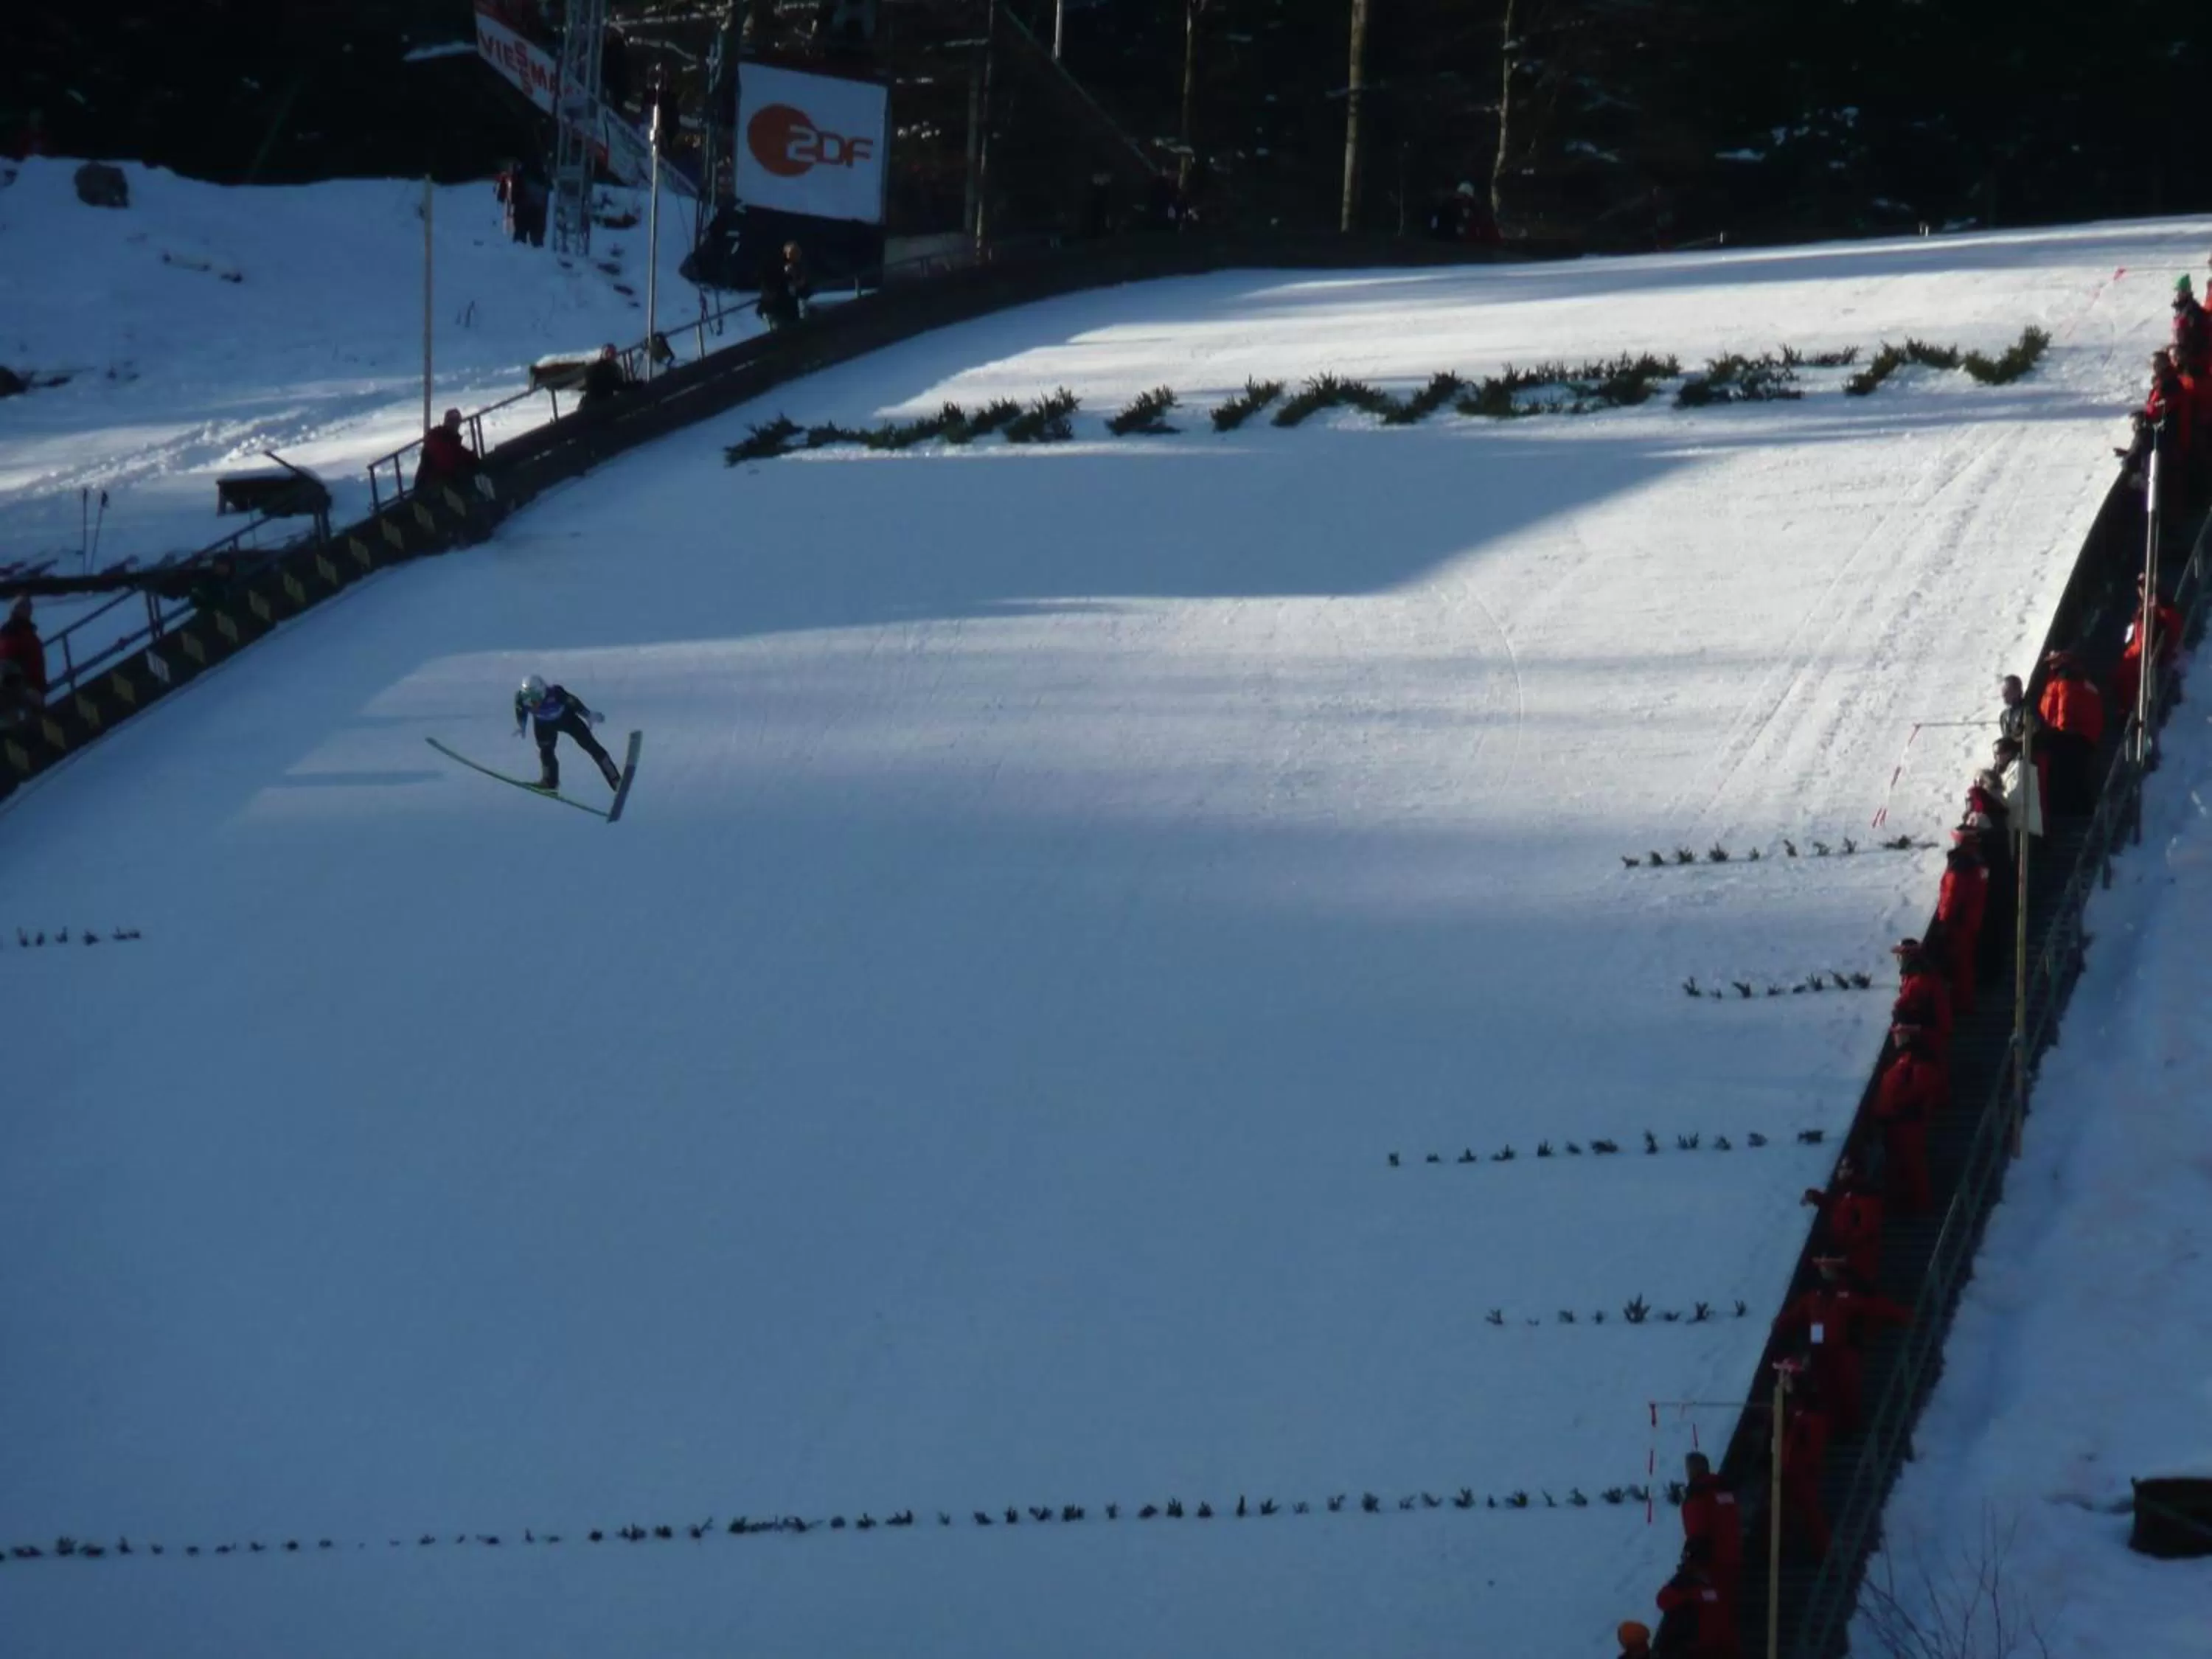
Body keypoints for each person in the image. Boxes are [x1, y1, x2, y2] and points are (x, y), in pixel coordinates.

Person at [1773, 1256, 1912, 1438]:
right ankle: (1832, 1428)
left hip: (1843, 1350)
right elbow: (1795, 1313)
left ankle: (1849, 1427)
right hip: (1819, 1352)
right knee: (1824, 1390)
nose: (1824, 1271)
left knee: (1847, 1389)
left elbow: (1873, 1306)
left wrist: (1902, 1315)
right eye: (1822, 1268)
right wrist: (1780, 1323)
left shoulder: (1847, 1294)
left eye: (1827, 1267)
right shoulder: (1814, 1296)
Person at [1874, 1024, 1945, 1216]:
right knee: (1898, 1166)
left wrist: (1903, 1104)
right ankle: (1905, 1203)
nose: (1896, 1039)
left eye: (1899, 1035)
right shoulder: (1900, 1061)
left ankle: (1921, 1205)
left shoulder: (1917, 1062)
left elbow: (1923, 1088)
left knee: (1913, 1165)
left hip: (1908, 1122)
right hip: (1893, 1123)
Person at [513, 674, 622, 793]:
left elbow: (574, 703)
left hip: (568, 720)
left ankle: (615, 779)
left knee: (592, 746)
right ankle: (550, 782)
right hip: (543, 725)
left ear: (542, 692)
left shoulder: (556, 693)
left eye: (534, 699)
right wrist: (522, 725)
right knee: (546, 752)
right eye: (528, 701)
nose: (532, 705)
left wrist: (588, 715)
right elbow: (520, 711)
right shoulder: (521, 699)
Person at [2035, 650, 2104, 815]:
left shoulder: (2069, 679)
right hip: (2075, 734)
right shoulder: (2058, 680)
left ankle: (2077, 809)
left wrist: (2059, 731)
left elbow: (2065, 710)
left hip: (2075, 734)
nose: (2051, 664)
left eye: (2055, 661)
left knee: (2070, 771)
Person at [1801, 1155, 1884, 1290]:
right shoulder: (1846, 1191)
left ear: (1852, 1171)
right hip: (1844, 1256)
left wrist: (1843, 1246)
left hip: (1856, 1261)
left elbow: (1867, 1228)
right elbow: (1835, 1207)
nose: (1838, 1171)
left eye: (1843, 1168)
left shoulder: (1865, 1194)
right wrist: (1816, 1197)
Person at [2112, 574, 2182, 728]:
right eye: (2140, 586)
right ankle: (2129, 711)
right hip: (2141, 647)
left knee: (2128, 673)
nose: (2142, 590)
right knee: (2124, 673)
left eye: (2145, 586)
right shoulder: (2146, 605)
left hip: (2151, 650)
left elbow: (2169, 626)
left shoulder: (2160, 604)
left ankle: (2134, 713)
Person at [1680, 1453, 1743, 1618]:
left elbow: (1697, 1531)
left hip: (1712, 1563)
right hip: (1733, 1555)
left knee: (1714, 1613)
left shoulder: (1698, 1494)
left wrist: (1693, 1561)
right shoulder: (1724, 1489)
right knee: (1728, 1607)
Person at [1778, 1369, 1832, 1559]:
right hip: (1796, 1469)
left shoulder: (1808, 1412)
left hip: (1802, 1471)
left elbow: (1810, 1444)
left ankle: (1823, 1551)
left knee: (1809, 1511)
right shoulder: (1799, 1409)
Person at [1934, 838, 1987, 1013]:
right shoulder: (1978, 868)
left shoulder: (1959, 870)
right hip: (1971, 921)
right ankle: (1964, 1001)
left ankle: (1961, 1003)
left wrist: (1944, 921)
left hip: (1957, 924)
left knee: (1959, 965)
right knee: (1964, 964)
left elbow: (1950, 897)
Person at [0, 595, 46, 723]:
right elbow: (6, 664)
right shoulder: (11, 632)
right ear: (15, 610)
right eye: (24, 606)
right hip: (22, 692)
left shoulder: (27, 632)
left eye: (29, 607)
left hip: (34, 689)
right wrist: (25, 689)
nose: (29, 610)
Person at [414, 408, 479, 492]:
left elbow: (459, 452)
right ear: (446, 422)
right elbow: (446, 460)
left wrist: (473, 459)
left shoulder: (451, 440)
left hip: (440, 483)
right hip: (429, 488)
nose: (455, 425)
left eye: (457, 422)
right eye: (452, 421)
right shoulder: (437, 438)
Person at [579, 344, 627, 411]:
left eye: (613, 353)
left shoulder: (616, 368)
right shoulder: (596, 368)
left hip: (607, 403)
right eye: (608, 352)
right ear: (604, 354)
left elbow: (619, 385)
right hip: (593, 405)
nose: (611, 355)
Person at [782, 240, 814, 321]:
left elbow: (802, 282)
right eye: (791, 253)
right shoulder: (785, 268)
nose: (793, 256)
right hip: (790, 300)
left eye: (796, 253)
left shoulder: (803, 266)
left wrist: (795, 281)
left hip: (803, 296)